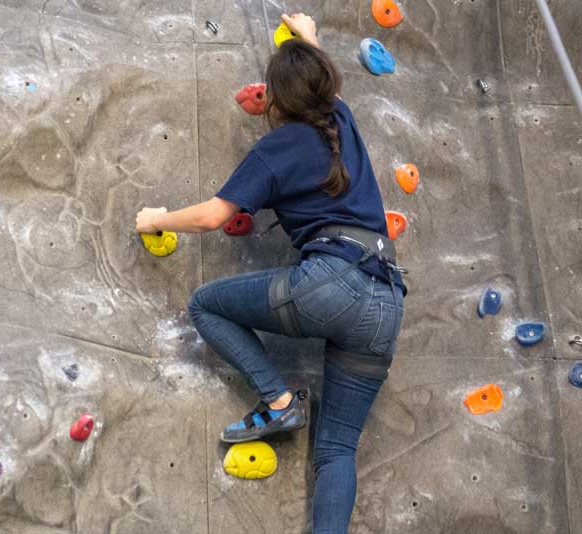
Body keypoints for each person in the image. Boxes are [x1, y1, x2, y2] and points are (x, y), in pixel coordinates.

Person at [134, 13, 406, 533]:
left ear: (275, 102)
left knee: (206, 304)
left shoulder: (277, 147)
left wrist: (156, 218)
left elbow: (216, 215)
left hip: (332, 281)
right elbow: (325, 82)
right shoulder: (342, 119)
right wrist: (307, 36)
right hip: (387, 299)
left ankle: (279, 401)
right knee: (337, 451)